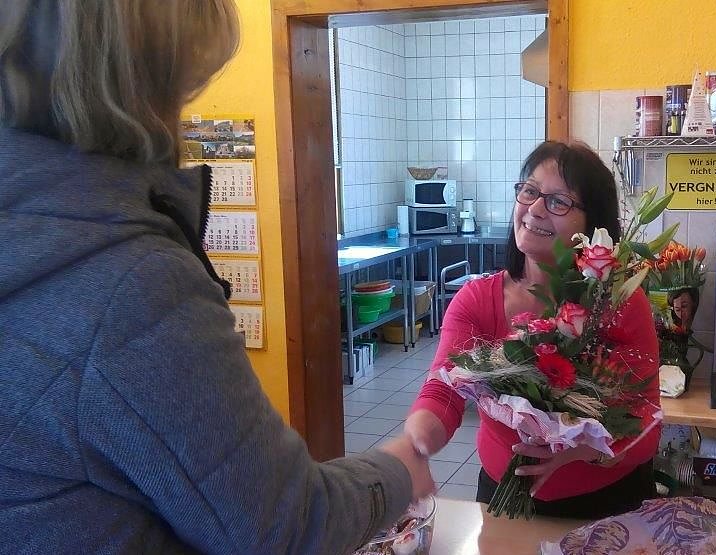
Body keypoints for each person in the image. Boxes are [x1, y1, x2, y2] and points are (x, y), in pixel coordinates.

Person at [0, 2, 432, 553]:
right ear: (143, 84)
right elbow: (282, 526)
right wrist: (397, 470)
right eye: (186, 84)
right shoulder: (135, 283)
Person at [405, 141, 661, 520]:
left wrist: (583, 449)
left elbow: (647, 422)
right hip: (503, 500)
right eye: (529, 191)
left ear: (593, 226)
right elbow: (444, 389)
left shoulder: (618, 302)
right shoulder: (477, 301)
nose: (535, 209)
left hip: (607, 505)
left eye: (558, 201)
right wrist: (413, 448)